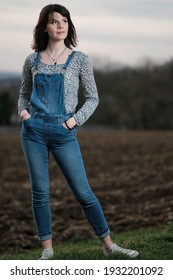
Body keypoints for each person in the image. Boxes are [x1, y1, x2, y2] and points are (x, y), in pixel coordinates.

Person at [18, 4, 139, 260]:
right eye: (54, 21)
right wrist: (24, 114)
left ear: (69, 25)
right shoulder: (32, 60)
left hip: (64, 132)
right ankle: (47, 251)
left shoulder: (80, 59)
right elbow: (23, 94)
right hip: (34, 131)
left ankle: (109, 246)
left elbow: (93, 98)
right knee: (40, 192)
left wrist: (74, 121)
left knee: (84, 193)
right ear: (45, 26)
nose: (60, 25)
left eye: (64, 21)